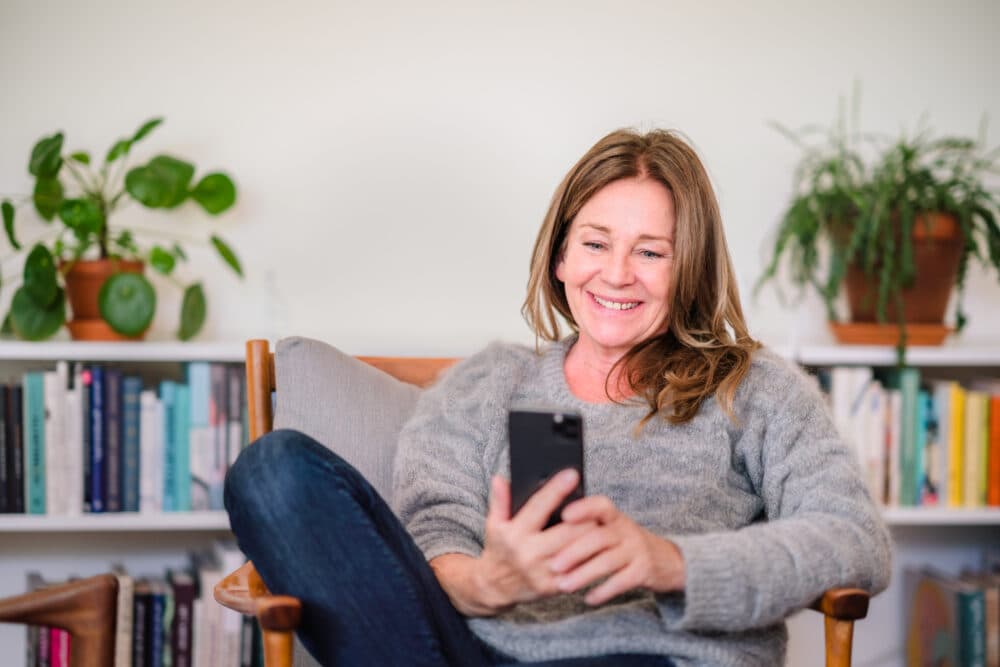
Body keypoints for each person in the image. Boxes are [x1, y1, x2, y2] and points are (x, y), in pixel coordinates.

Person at [225, 128, 892, 667]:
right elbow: (433, 537)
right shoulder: (487, 384)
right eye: (596, 243)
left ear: (689, 266)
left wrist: (671, 561)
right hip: (481, 650)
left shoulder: (754, 389)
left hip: (660, 657)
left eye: (652, 252)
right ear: (561, 258)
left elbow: (854, 538)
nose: (617, 273)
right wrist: (494, 580)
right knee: (270, 469)